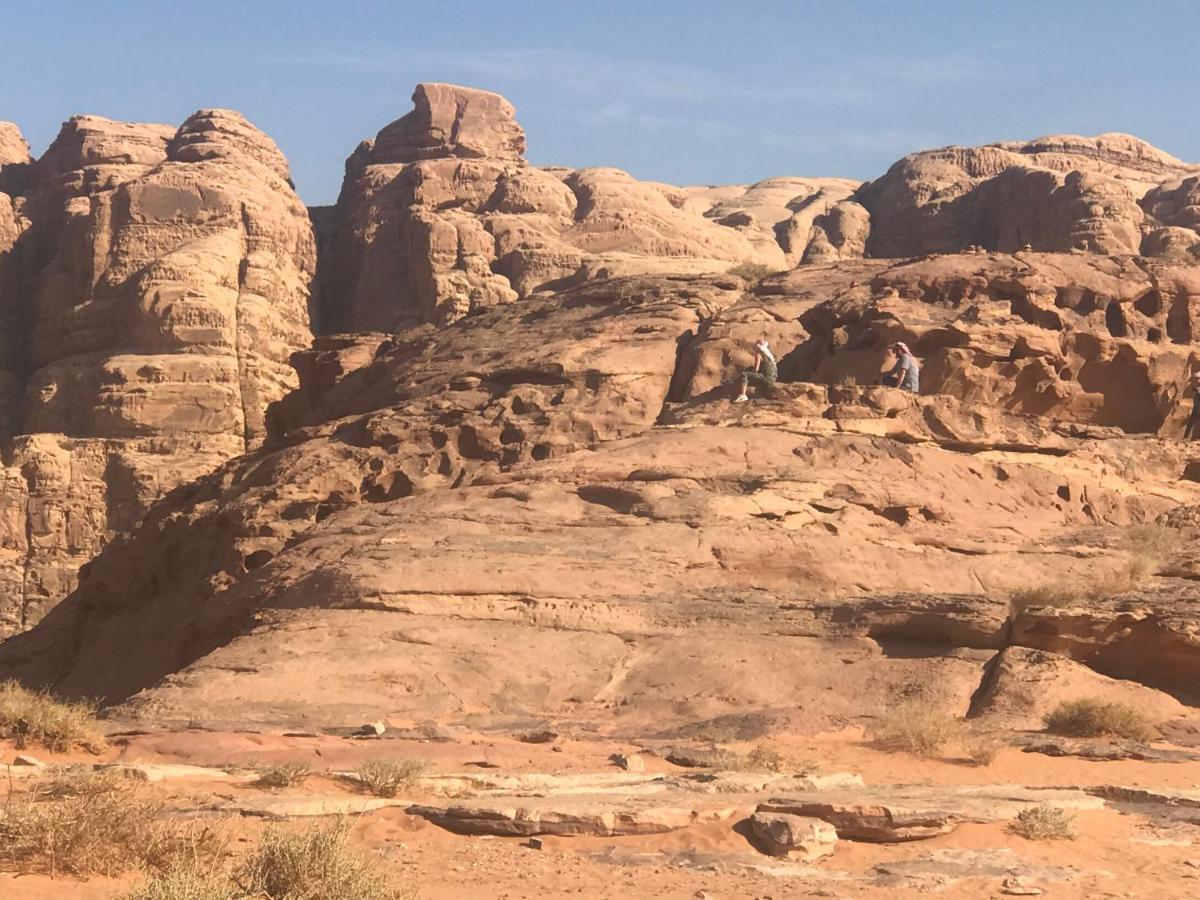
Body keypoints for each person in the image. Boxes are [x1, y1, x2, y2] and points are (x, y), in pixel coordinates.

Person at [734, 337, 777, 402]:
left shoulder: (759, 353)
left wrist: (752, 375)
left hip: (766, 378)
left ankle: (743, 395)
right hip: (773, 378)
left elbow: (756, 369)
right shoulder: (769, 354)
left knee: (744, 374)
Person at [1184, 369, 1200, 440]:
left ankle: (1186, 437)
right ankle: (1185, 437)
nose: (1198, 380)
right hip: (1196, 406)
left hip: (1197, 406)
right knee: (1191, 422)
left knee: (1191, 422)